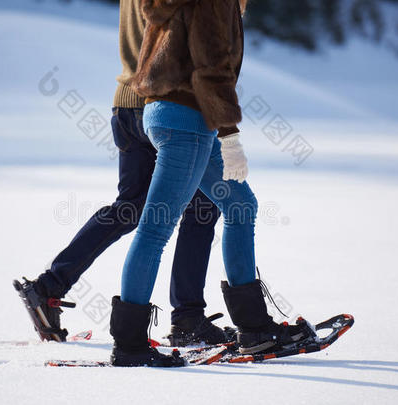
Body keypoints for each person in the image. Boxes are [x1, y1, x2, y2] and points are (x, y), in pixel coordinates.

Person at [13, 0, 233, 347]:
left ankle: (49, 286)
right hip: (167, 103)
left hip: (125, 104)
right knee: (203, 206)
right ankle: (187, 317)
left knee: (130, 207)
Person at [108, 0, 315, 367]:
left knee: (240, 206)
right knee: (155, 230)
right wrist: (230, 135)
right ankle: (130, 346)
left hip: (168, 112)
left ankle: (253, 329)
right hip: (186, 119)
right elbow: (211, 67)